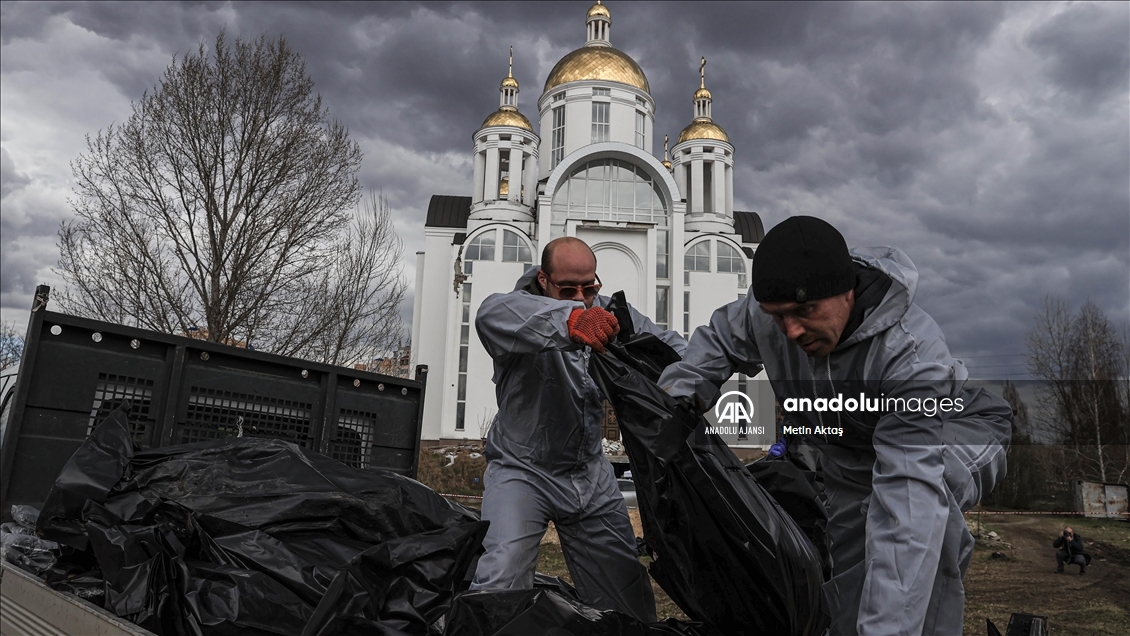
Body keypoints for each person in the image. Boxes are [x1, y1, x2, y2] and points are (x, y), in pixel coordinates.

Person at [658, 216, 1012, 635]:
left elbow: (907, 500)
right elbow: (718, 340)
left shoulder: (910, 356)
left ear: (847, 291)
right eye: (778, 316)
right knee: (851, 576)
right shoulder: (770, 312)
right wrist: (675, 404)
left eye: (805, 311)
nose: (791, 331)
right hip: (851, 455)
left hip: (954, 430)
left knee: (928, 512)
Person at [471, 236, 686, 622]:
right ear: (543, 280)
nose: (580, 298)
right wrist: (570, 321)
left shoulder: (606, 312)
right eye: (567, 289)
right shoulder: (517, 311)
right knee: (500, 579)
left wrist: (703, 370)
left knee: (626, 598)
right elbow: (490, 314)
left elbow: (669, 347)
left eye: (589, 288)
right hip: (522, 473)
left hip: (590, 476)